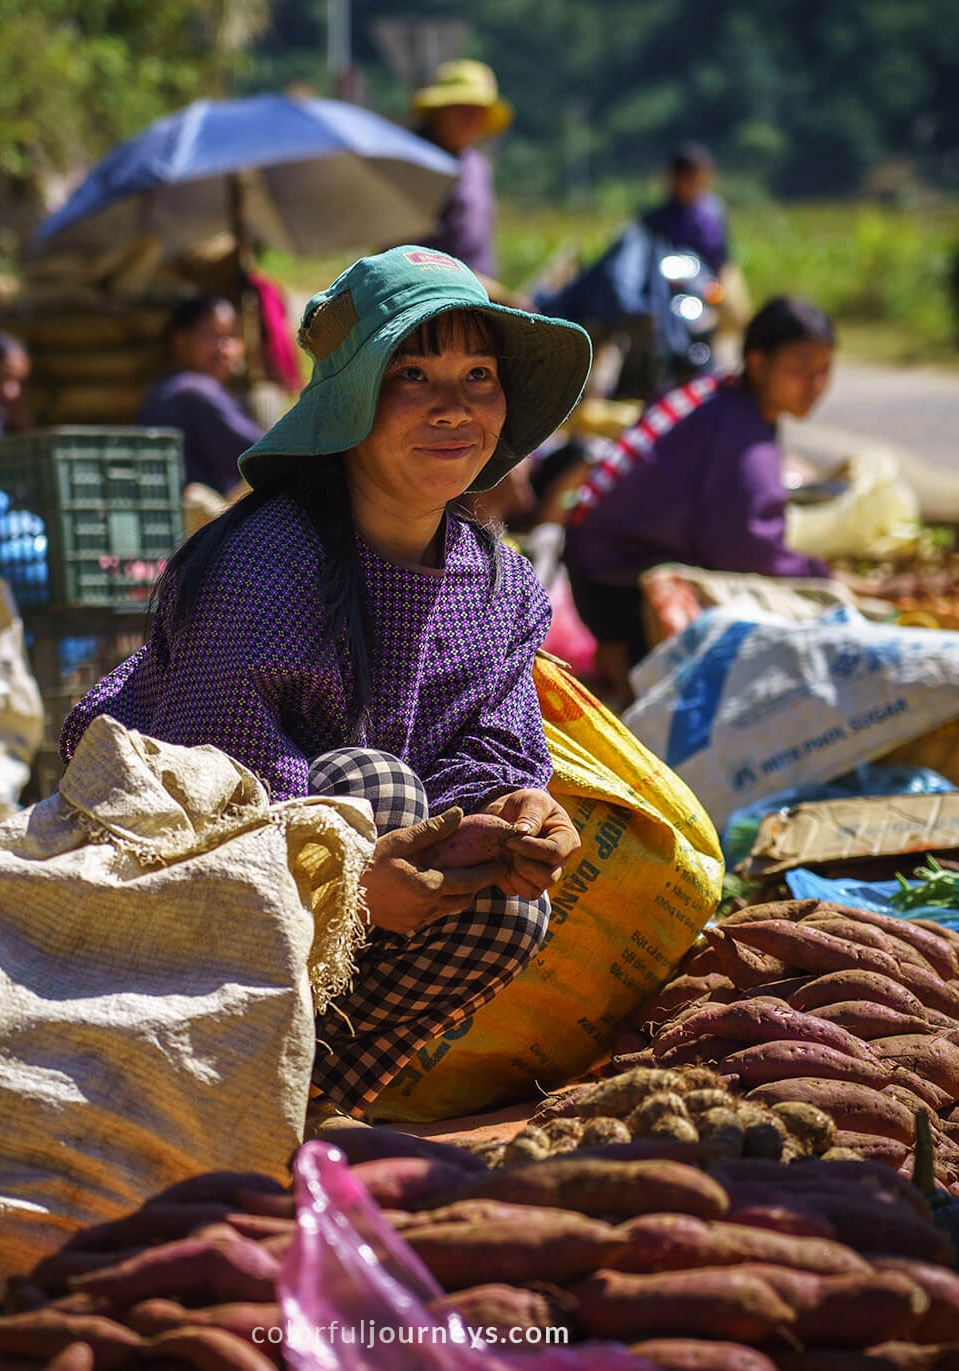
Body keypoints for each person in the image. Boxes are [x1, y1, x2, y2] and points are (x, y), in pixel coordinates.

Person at [59, 245, 592, 1118]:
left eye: (479, 375)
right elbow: (205, 811)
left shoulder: (498, 589)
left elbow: (493, 749)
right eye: (411, 374)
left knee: (504, 898)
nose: (454, 407)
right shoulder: (263, 568)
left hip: (349, 901)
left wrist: (517, 814)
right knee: (372, 786)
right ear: (350, 402)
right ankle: (197, 1091)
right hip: (166, 888)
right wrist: (347, 879)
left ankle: (303, 1101)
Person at [563, 296, 835, 702]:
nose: (814, 385)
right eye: (799, 369)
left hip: (588, 559)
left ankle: (619, 662)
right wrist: (820, 576)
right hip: (615, 584)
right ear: (759, 363)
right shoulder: (740, 429)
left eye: (823, 371)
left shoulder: (711, 390)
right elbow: (745, 548)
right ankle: (626, 661)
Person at [137, 295, 264, 495]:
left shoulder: (161, 390)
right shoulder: (196, 391)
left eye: (232, 336)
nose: (225, 349)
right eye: (212, 336)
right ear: (181, 340)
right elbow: (263, 459)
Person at [412, 59, 512, 281]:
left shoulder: (478, 166)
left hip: (480, 294)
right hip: (433, 295)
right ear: (439, 112)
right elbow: (407, 259)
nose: (471, 119)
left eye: (478, 110)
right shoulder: (415, 167)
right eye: (462, 109)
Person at [643, 142, 729, 276]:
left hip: (712, 281)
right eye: (690, 176)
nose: (697, 182)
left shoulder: (715, 211)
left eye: (701, 176)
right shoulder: (654, 219)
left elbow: (724, 259)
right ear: (675, 178)